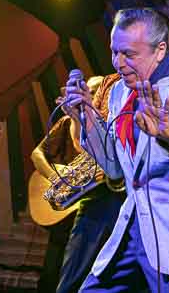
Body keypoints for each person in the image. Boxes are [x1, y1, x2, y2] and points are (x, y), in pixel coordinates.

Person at [64, 8, 169, 293]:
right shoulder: (120, 92)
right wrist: (87, 119)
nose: (118, 63)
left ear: (160, 50)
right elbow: (116, 168)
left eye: (129, 54)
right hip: (131, 230)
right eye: (113, 52)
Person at [31, 75, 125, 293]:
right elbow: (37, 154)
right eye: (90, 92)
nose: (93, 96)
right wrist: (58, 178)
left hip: (100, 194)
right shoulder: (67, 121)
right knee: (62, 270)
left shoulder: (105, 119)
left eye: (96, 93)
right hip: (78, 199)